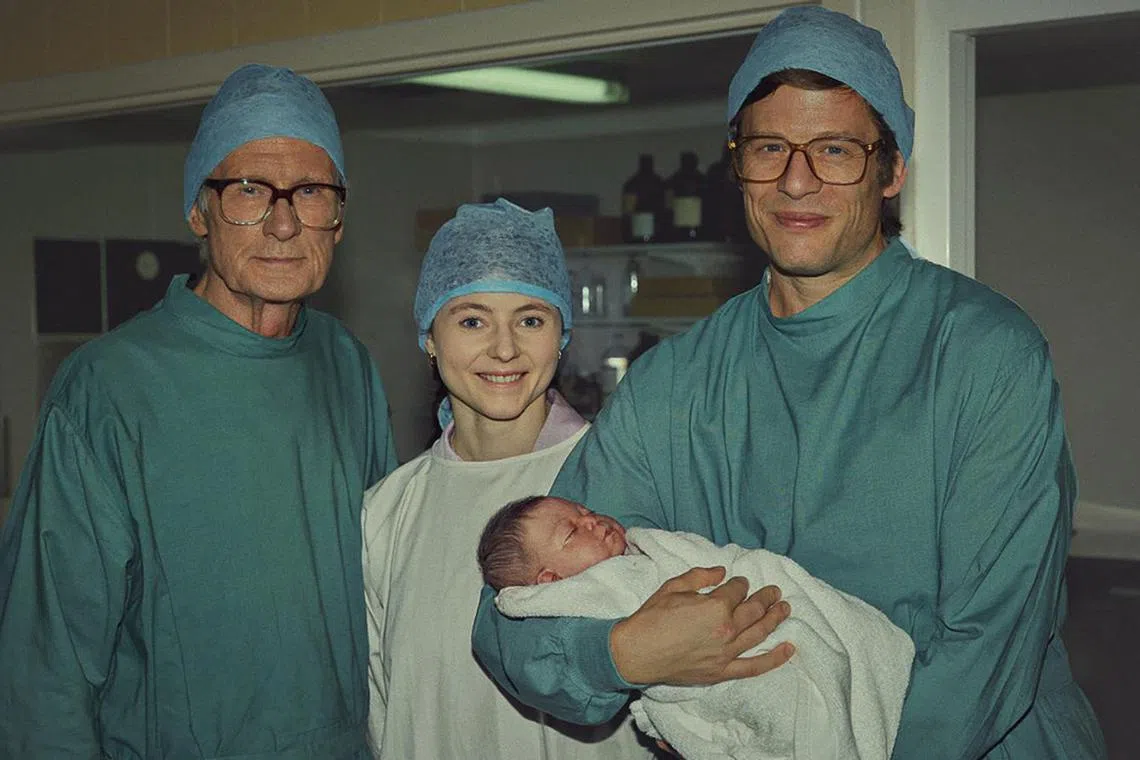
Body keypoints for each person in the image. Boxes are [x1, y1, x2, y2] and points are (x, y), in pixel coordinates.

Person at [473, 7, 1108, 759]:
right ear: (737, 165)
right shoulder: (675, 384)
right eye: (769, 148)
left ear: (892, 171)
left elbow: (989, 643)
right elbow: (512, 616)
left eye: (835, 150)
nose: (796, 181)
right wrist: (624, 653)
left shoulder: (981, 353)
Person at [0, 64, 398, 758]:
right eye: (248, 190)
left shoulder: (346, 365)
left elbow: (387, 590)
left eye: (310, 192)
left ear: (337, 219)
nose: (283, 223)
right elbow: (44, 672)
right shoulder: (109, 389)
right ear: (197, 211)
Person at [361, 198, 649, 759]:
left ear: (562, 335)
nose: (504, 348)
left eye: (531, 320)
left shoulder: (620, 479)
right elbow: (382, 710)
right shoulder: (387, 514)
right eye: (472, 320)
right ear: (429, 336)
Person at [479, 495, 914, 760]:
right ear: (549, 582)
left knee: (817, 675)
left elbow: (720, 563)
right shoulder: (585, 594)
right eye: (572, 533)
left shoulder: (650, 549)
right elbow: (517, 609)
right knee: (792, 721)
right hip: (711, 688)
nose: (592, 520)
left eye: (587, 511)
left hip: (763, 623)